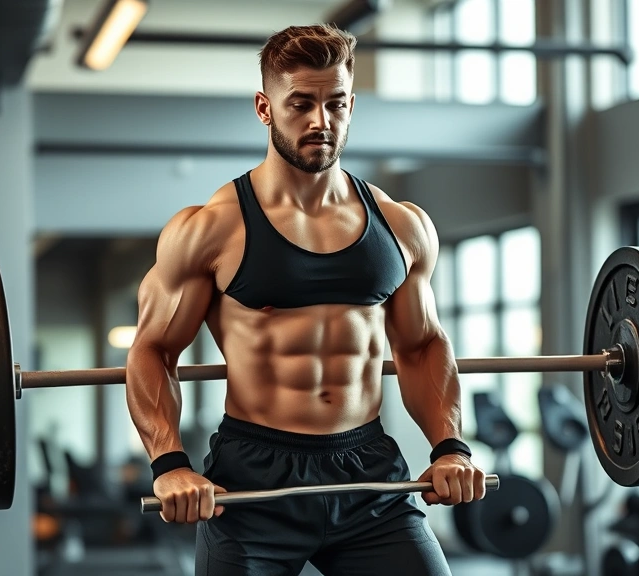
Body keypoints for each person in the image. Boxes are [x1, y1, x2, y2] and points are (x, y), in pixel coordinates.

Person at [125, 23, 486, 576]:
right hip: (254, 475)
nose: (322, 121)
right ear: (264, 108)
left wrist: (450, 446)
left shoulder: (401, 226)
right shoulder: (212, 229)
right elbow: (152, 351)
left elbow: (421, 346)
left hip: (367, 469)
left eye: (336, 104)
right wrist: (169, 462)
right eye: (302, 104)